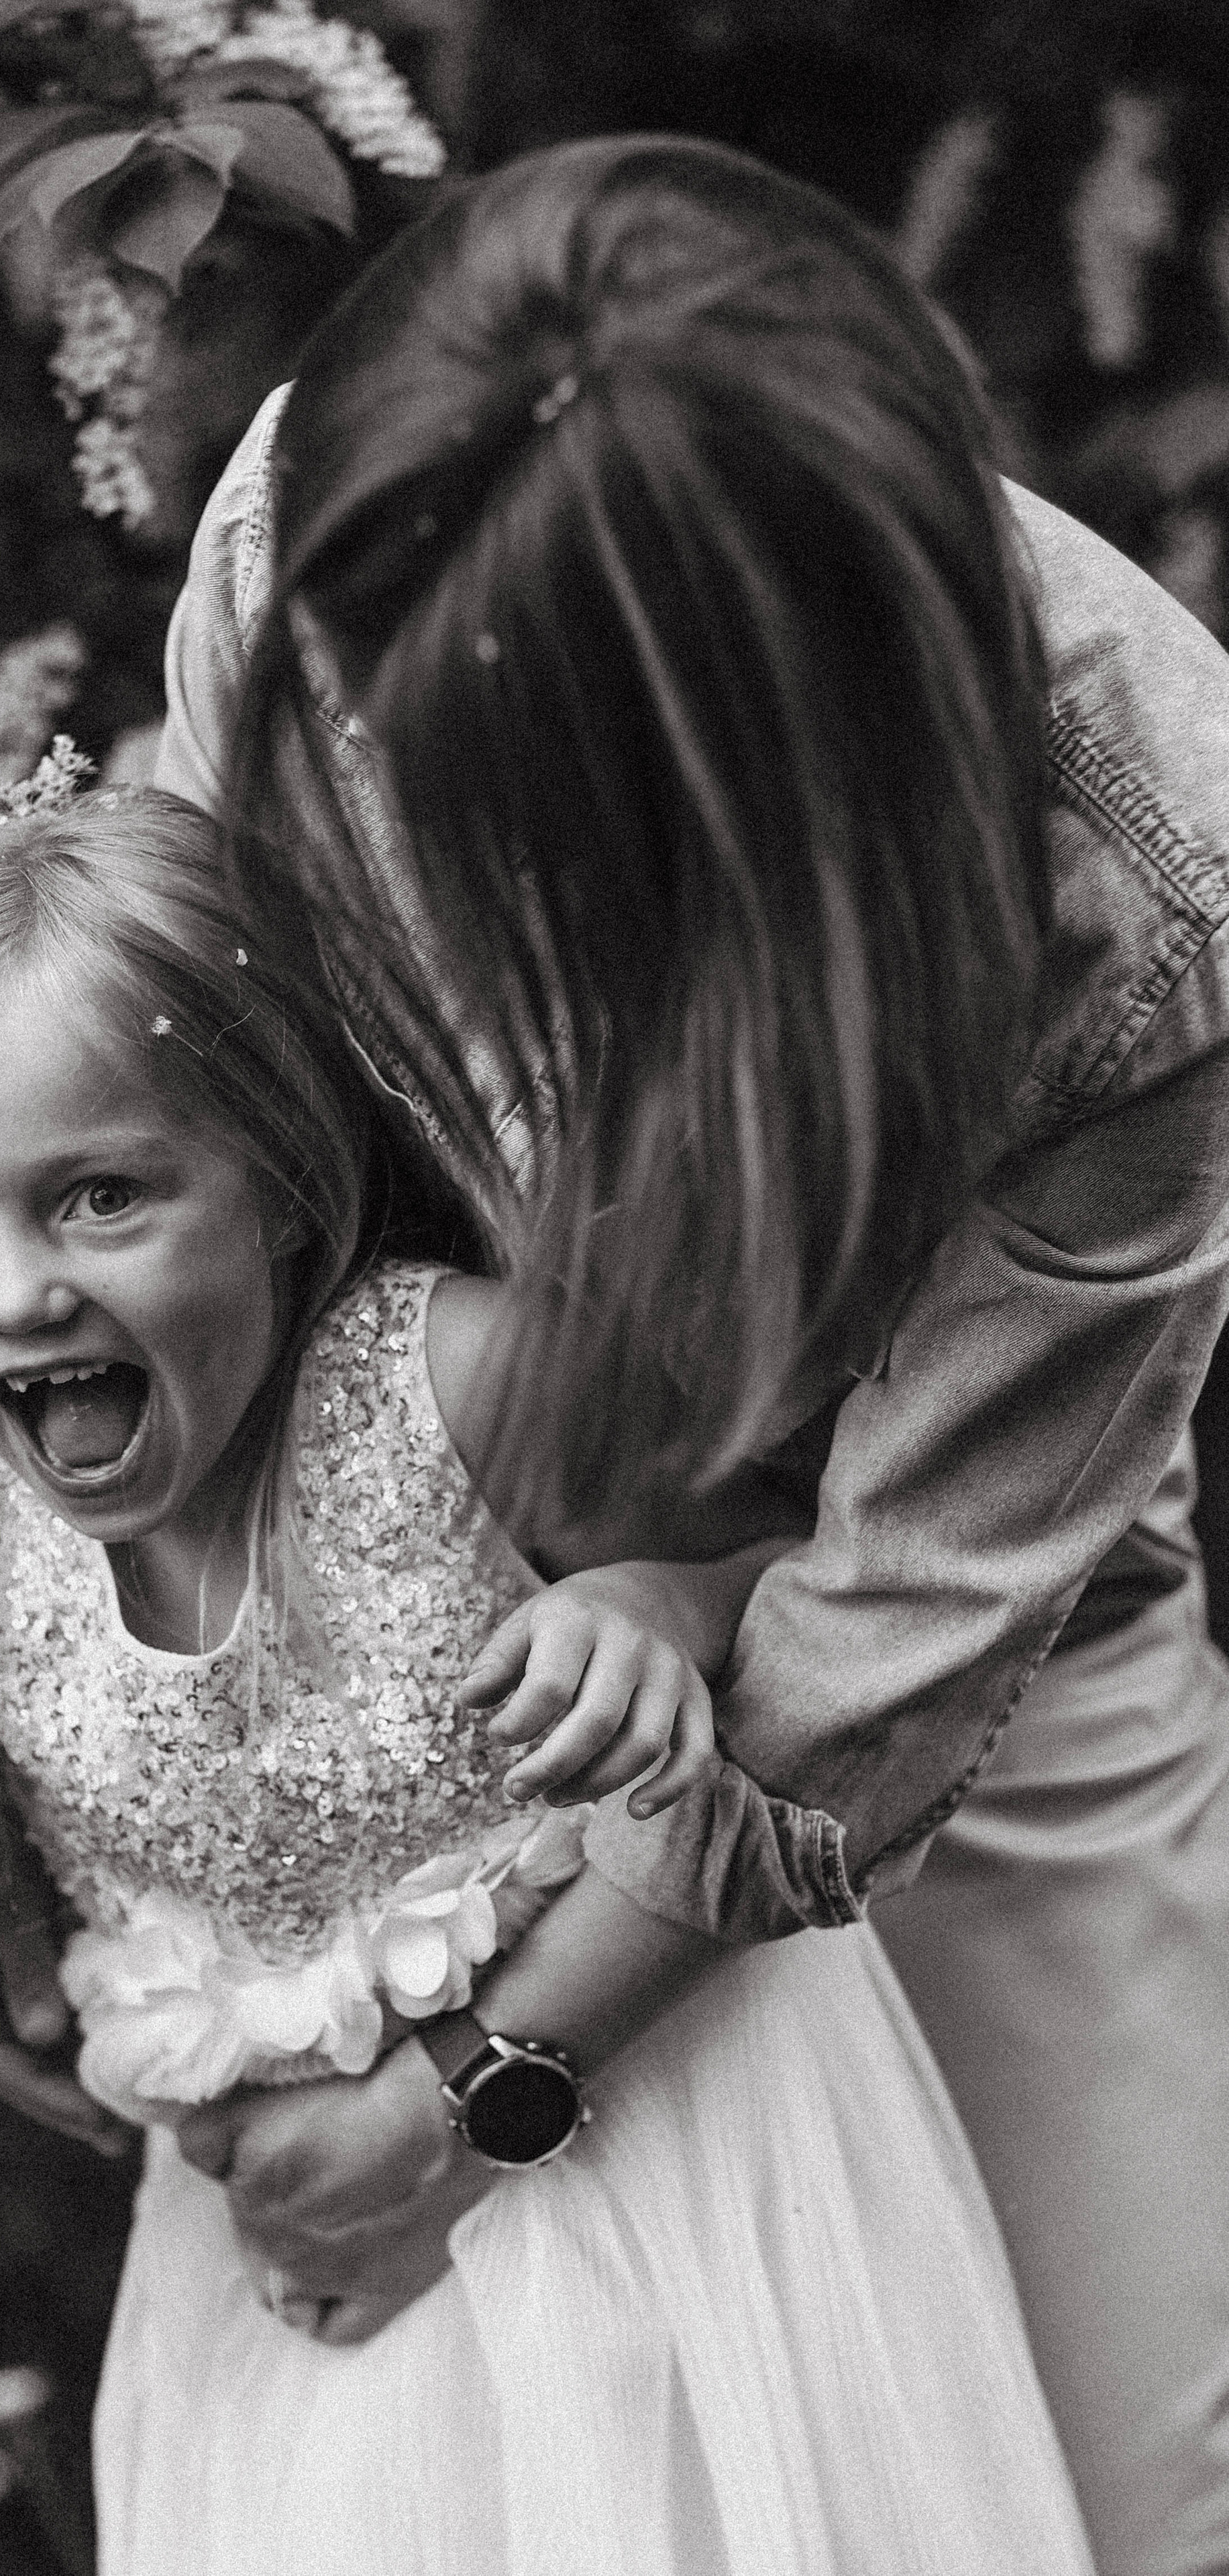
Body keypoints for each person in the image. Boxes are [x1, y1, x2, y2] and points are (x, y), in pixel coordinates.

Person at [0, 792, 1093, 2575]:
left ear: (284, 1181)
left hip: (680, 2183)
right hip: (309, 2314)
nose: (19, 1292)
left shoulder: (466, 1381)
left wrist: (664, 1609)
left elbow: (818, 1599)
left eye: (101, 1196)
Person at [128, 136, 1228, 2576]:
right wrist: (113, 1808)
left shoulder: (1153, 877)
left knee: (1114, 2483)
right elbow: (194, 1156)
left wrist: (476, 2094)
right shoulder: (314, 544)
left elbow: (897, 1651)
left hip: (979, 1674)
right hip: (452, 1628)